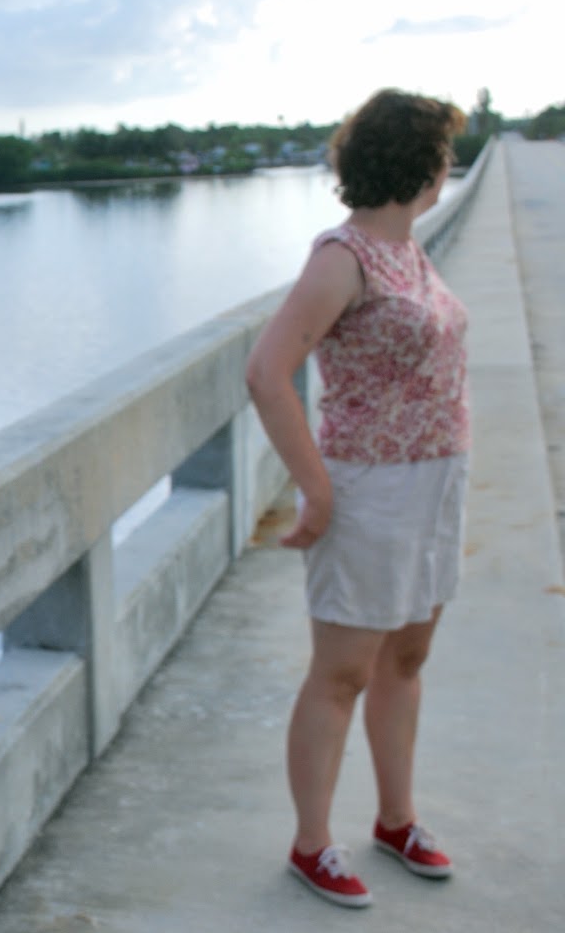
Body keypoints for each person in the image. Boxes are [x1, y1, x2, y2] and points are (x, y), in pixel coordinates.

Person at [245, 88, 469, 909]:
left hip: (437, 481)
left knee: (406, 660)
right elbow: (268, 371)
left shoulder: (410, 249)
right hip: (370, 491)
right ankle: (311, 842)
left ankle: (396, 818)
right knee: (342, 673)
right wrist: (317, 492)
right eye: (444, 153)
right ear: (422, 163)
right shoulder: (344, 257)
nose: (449, 168)